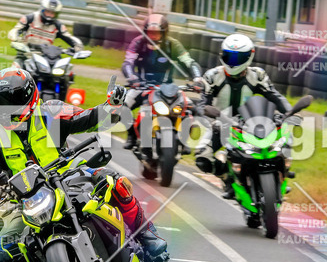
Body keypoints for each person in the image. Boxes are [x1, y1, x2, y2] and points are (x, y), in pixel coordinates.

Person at [0, 68, 167, 262]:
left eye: (13, 101)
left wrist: (111, 106)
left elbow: (89, 118)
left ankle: (148, 237)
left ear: (30, 96)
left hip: (70, 178)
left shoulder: (50, 113)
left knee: (114, 181)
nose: (7, 109)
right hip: (27, 201)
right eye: (0, 103)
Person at [194, 33, 292, 198]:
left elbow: (275, 96)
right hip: (221, 123)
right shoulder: (212, 76)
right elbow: (203, 102)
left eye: (238, 58)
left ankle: (282, 175)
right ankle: (228, 179)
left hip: (251, 122)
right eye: (229, 56)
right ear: (222, 55)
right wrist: (206, 111)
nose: (233, 62)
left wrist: (289, 112)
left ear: (249, 56)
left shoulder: (257, 75)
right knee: (202, 158)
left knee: (284, 138)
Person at [121, 13, 203, 150]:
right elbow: (127, 63)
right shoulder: (137, 42)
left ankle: (183, 139)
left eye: (156, 33)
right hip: (140, 86)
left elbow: (189, 62)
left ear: (164, 33)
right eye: (150, 32)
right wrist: (132, 78)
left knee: (192, 109)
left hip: (167, 88)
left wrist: (197, 79)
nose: (153, 36)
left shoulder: (173, 44)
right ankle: (132, 135)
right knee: (122, 107)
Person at [9, 0, 83, 68]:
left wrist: (77, 47)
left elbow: (68, 37)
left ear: (57, 14)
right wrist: (15, 39)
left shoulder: (58, 25)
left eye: (52, 13)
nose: (50, 15)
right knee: (15, 71)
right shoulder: (30, 18)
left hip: (46, 58)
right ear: (42, 9)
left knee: (64, 73)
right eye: (48, 12)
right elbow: (16, 30)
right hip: (25, 54)